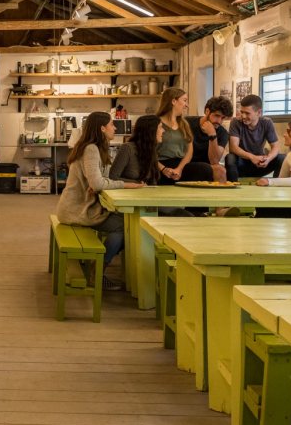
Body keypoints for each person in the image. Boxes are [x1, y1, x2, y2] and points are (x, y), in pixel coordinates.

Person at [56, 112, 143, 290]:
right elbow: (97, 183)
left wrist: (100, 183)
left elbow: (98, 181)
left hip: (76, 208)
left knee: (124, 222)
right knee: (125, 226)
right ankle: (97, 273)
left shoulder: (91, 147)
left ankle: (99, 268)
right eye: (112, 124)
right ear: (102, 128)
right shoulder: (91, 149)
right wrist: (125, 185)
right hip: (77, 211)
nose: (115, 128)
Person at [152, 88, 214, 184]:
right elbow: (147, 152)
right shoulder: (155, 123)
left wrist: (179, 169)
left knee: (205, 169)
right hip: (159, 165)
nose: (186, 105)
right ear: (173, 101)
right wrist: (163, 169)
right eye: (184, 100)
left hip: (181, 164)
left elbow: (189, 151)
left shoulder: (184, 124)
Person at [228, 94, 284, 178]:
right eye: (242, 112)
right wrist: (252, 157)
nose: (243, 116)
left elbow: (275, 147)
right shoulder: (235, 122)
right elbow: (233, 147)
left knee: (282, 158)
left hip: (259, 164)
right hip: (242, 164)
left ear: (259, 112)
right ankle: (233, 184)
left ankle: (274, 183)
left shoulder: (267, 122)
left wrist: (268, 158)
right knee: (230, 158)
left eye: (247, 113)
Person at [189, 96, 233, 183]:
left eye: (223, 118)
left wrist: (212, 135)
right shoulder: (188, 123)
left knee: (220, 170)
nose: (219, 121)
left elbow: (214, 161)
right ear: (207, 111)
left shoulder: (223, 133)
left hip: (207, 167)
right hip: (186, 165)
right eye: (217, 116)